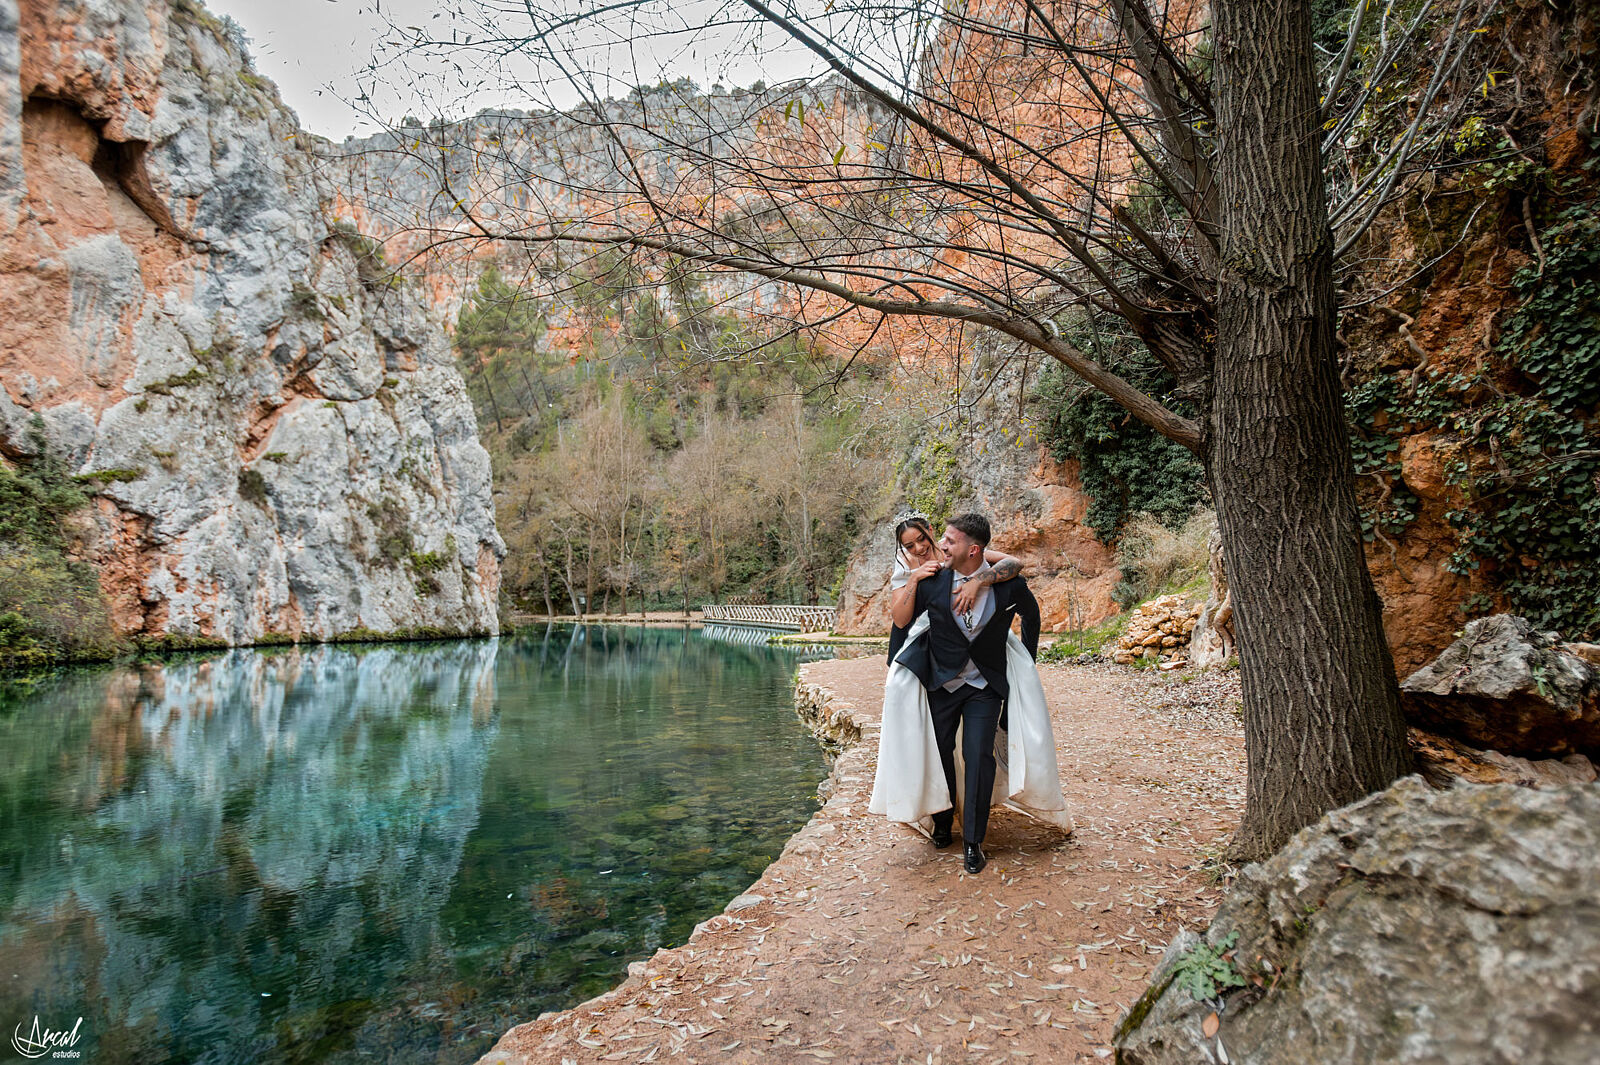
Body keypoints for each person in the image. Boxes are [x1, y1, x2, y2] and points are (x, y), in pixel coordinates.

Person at [869, 512, 1073, 874]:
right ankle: (944, 818)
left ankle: (974, 841)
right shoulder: (931, 581)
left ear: (974, 549)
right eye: (939, 540)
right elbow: (900, 621)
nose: (937, 547)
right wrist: (915, 579)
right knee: (939, 752)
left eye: (948, 540)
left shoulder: (1006, 584)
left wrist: (1026, 660)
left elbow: (1031, 614)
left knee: (979, 754)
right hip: (940, 683)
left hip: (985, 685)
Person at [887, 513, 1020, 664]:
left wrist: (977, 581)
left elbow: (1013, 562)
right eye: (909, 546)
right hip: (917, 625)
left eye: (921, 538)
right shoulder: (904, 561)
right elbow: (899, 621)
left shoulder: (953, 547)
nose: (919, 548)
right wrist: (914, 579)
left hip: (952, 621)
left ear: (930, 530)